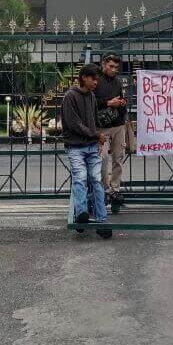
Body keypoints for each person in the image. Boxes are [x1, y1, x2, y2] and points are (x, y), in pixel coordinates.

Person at [61, 64, 111, 239]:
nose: (96, 82)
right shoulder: (70, 96)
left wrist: (98, 137)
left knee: (96, 180)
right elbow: (74, 124)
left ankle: (101, 219)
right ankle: (81, 213)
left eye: (97, 79)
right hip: (76, 146)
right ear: (83, 77)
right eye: (93, 79)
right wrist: (97, 135)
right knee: (81, 177)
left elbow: (95, 121)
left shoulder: (91, 96)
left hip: (91, 145)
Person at [95, 52, 129, 204]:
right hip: (101, 127)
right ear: (104, 64)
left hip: (119, 124)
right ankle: (105, 189)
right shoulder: (96, 80)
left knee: (118, 158)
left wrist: (121, 103)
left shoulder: (118, 82)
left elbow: (121, 100)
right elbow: (91, 102)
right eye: (111, 66)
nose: (114, 70)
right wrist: (109, 103)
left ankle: (115, 189)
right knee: (102, 159)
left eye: (116, 67)